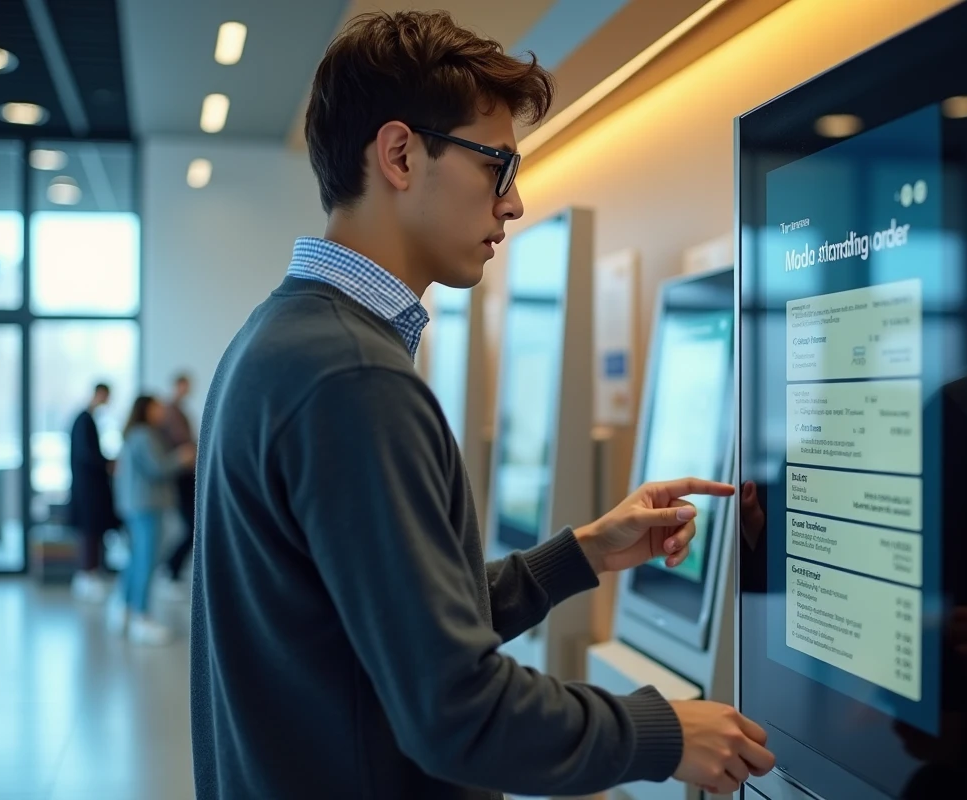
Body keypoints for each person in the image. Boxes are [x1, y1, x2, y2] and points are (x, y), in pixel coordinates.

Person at [190, 10, 775, 800]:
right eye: (498, 164)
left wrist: (586, 553)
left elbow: (393, 627)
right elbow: (454, 709)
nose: (515, 202)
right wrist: (664, 732)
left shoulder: (286, 339)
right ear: (399, 154)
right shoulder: (356, 379)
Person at [112, 395, 195, 645]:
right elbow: (158, 468)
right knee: (145, 561)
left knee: (137, 558)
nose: (162, 413)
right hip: (147, 505)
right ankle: (142, 617)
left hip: (137, 505)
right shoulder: (145, 436)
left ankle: (127, 609)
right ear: (146, 410)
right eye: (157, 408)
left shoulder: (135, 434)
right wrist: (181, 458)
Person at [68, 383, 118, 603]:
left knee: (94, 531)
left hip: (90, 487)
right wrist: (106, 464)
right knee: (90, 532)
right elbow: (86, 454)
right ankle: (87, 575)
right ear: (98, 394)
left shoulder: (88, 419)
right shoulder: (84, 420)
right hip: (87, 488)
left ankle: (91, 574)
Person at [157, 372, 196, 593]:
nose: (187, 390)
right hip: (179, 477)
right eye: (184, 386)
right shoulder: (169, 412)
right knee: (191, 526)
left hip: (186, 475)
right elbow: (179, 446)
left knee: (192, 526)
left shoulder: (180, 411)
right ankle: (170, 569)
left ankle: (172, 570)